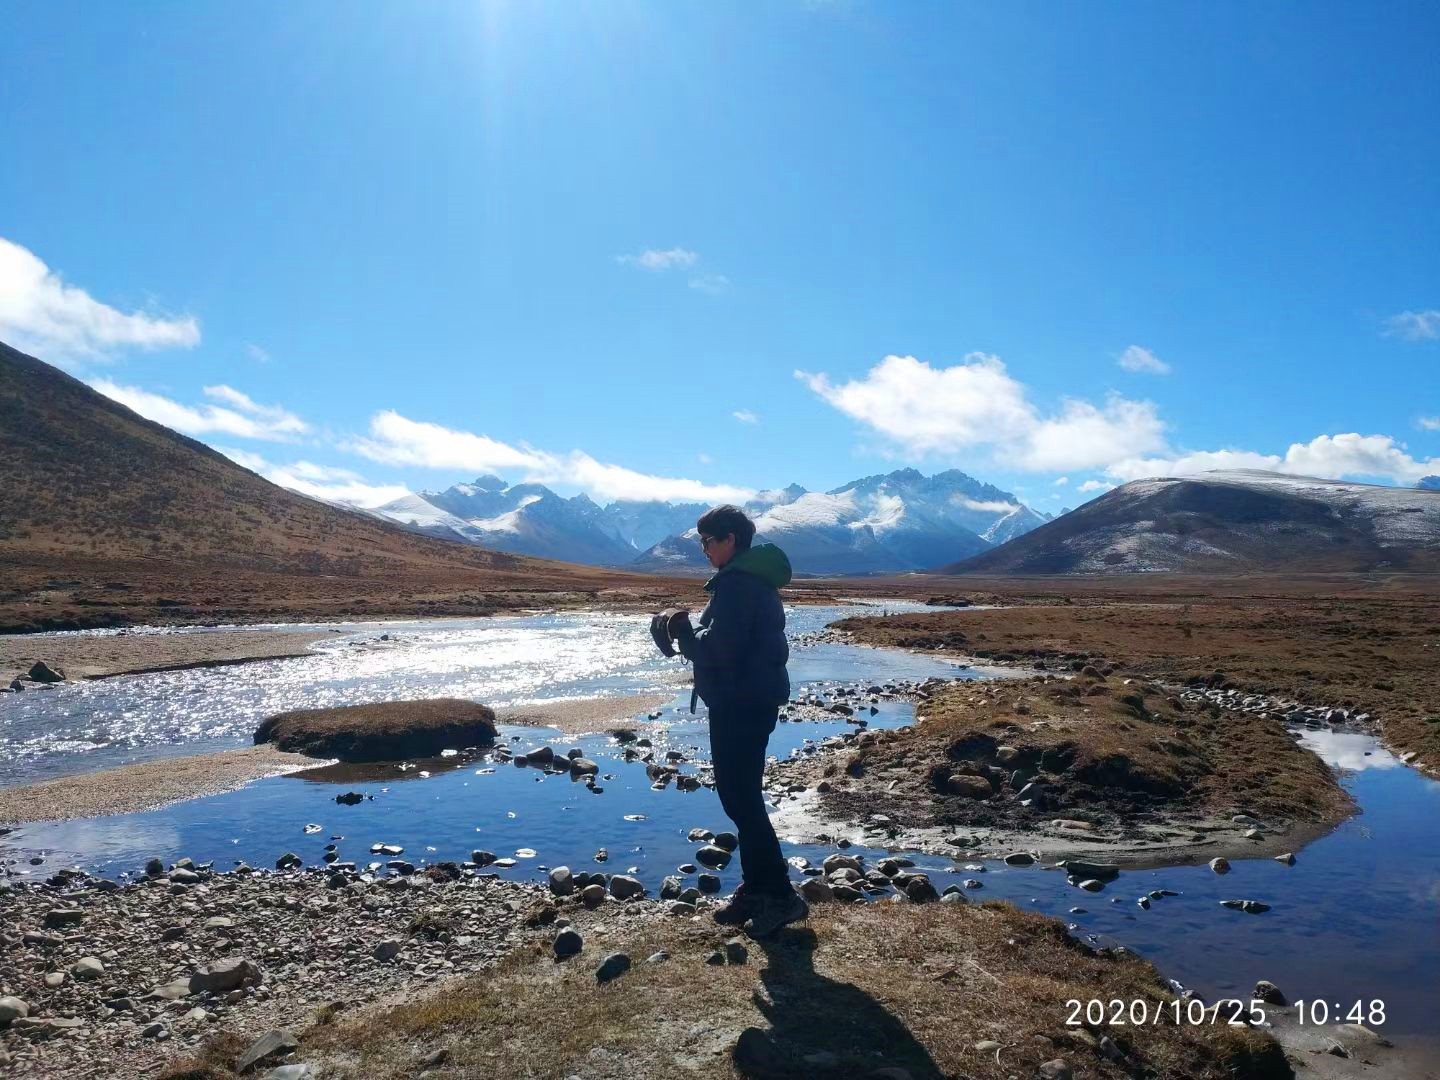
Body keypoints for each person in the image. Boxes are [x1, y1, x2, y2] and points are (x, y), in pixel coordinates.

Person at [650, 505, 808, 938]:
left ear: (730, 540)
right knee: (741, 798)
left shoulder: (739, 584)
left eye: (707, 541)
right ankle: (757, 890)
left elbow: (720, 649)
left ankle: (780, 896)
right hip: (747, 700)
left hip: (742, 703)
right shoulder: (745, 580)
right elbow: (727, 642)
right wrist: (691, 632)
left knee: (742, 800)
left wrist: (683, 631)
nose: (704, 549)